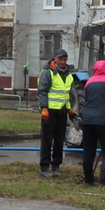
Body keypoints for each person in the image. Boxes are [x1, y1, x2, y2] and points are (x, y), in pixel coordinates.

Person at [36, 48, 76, 178]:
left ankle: (56, 166)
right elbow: (42, 92)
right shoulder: (48, 73)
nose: (63, 62)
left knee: (59, 141)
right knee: (47, 140)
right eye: (61, 59)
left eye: (65, 59)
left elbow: (67, 95)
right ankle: (44, 166)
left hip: (62, 112)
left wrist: (69, 109)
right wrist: (44, 108)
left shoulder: (68, 75)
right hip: (50, 112)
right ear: (55, 59)